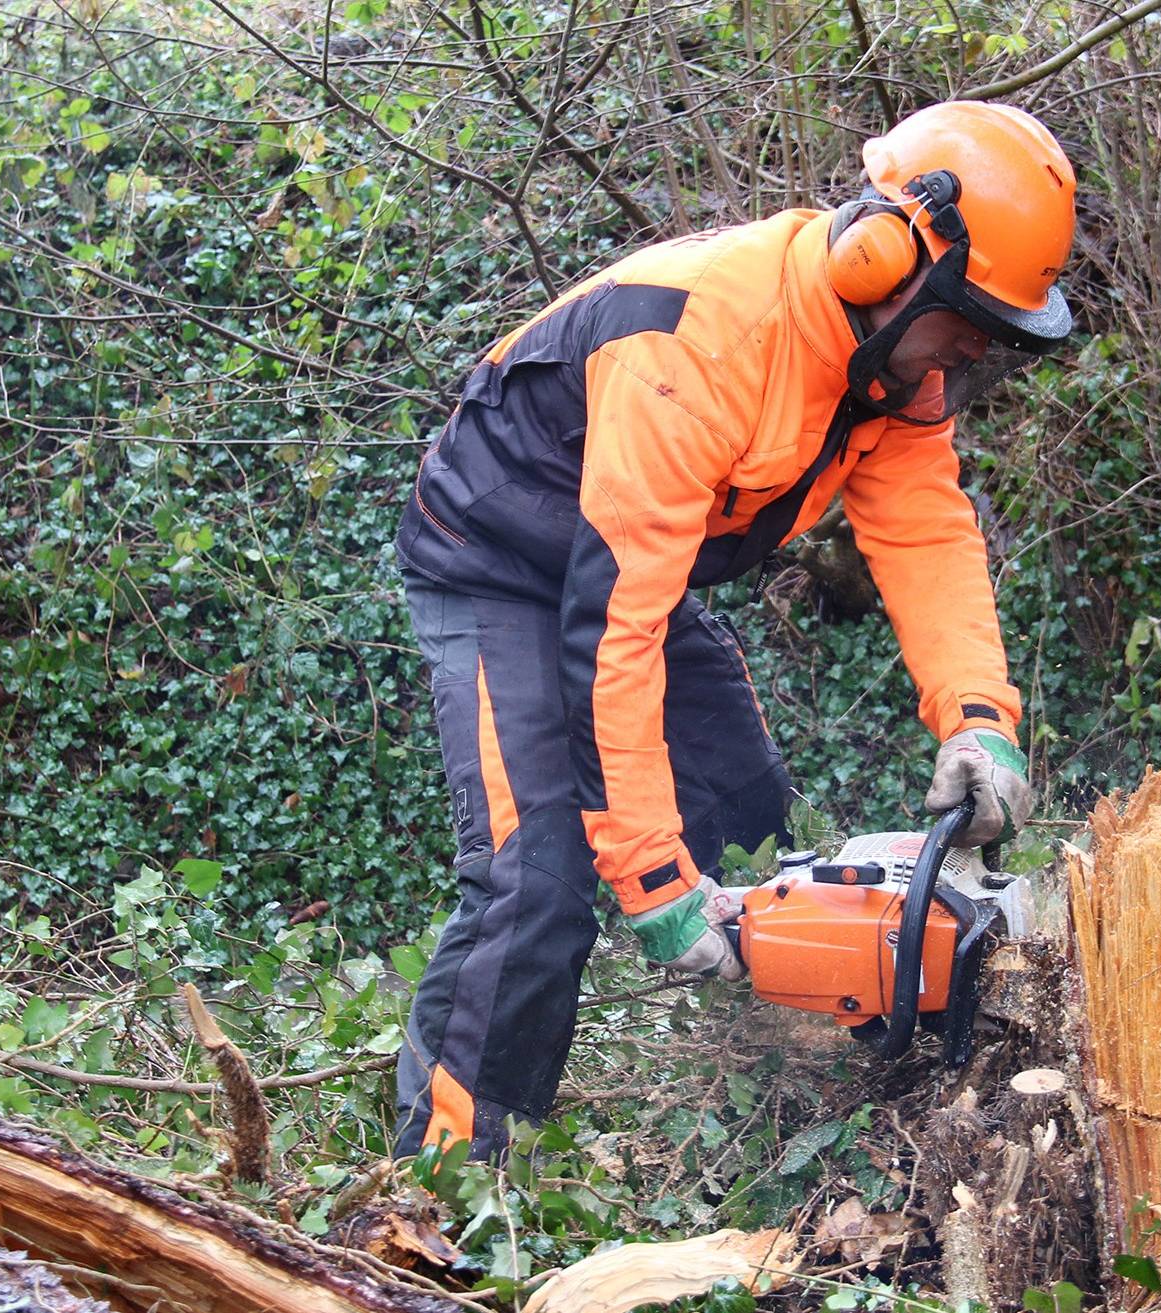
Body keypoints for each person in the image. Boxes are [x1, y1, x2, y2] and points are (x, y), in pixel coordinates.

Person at [389, 100, 1077, 1158]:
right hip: (498, 565)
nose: (972, 348)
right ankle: (440, 1181)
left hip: (628, 568)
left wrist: (980, 718)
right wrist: (653, 882)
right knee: (537, 881)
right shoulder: (699, 344)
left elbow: (928, 535)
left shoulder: (891, 372)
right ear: (885, 255)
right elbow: (611, 633)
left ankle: (763, 1090)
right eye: (967, 317)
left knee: (747, 812)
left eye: (994, 332)